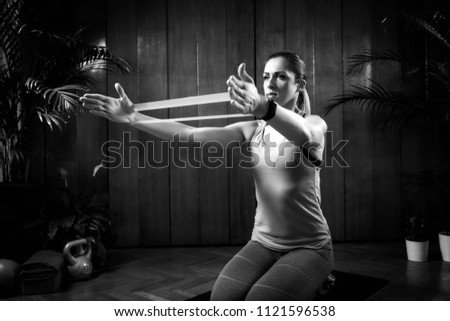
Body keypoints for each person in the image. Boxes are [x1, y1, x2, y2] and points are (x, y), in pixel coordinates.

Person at [80, 51, 333, 300]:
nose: (270, 83)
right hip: (263, 243)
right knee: (220, 301)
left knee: (259, 302)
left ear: (299, 84)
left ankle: (316, 281)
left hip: (309, 247)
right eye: (266, 77)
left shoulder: (314, 124)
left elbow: (304, 134)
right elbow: (192, 135)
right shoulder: (254, 129)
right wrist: (133, 118)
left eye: (280, 77)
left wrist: (265, 107)